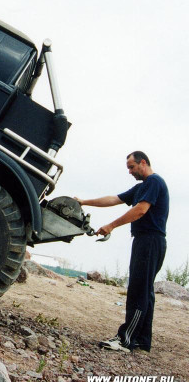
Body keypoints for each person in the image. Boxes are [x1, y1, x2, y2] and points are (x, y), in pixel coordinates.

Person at [75, 151, 169, 353]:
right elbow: (113, 199)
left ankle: (125, 340)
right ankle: (142, 340)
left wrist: (111, 225)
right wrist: (83, 202)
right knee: (146, 291)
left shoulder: (154, 182)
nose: (130, 171)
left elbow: (140, 210)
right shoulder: (141, 187)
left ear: (143, 163)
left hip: (150, 241)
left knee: (138, 290)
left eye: (132, 167)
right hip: (148, 241)